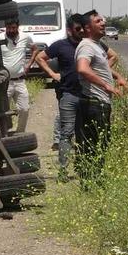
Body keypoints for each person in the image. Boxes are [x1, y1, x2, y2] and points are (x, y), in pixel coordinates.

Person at [74, 10, 128, 181]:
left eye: (102, 20)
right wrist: (106, 85)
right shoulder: (86, 46)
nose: (103, 23)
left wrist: (117, 77)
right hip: (93, 104)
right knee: (94, 146)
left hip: (99, 103)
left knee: (99, 145)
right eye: (98, 21)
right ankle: (92, 182)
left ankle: (93, 179)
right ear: (88, 28)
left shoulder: (96, 45)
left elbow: (100, 68)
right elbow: (83, 68)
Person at [35, 13, 85, 180]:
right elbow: (40, 58)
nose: (81, 31)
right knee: (67, 133)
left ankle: (82, 168)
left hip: (86, 96)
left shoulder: (88, 45)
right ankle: (63, 170)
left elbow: (110, 55)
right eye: (78, 28)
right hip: (68, 95)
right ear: (70, 30)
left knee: (83, 134)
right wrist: (53, 74)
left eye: (83, 28)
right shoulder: (60, 46)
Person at [1, 17, 37, 133]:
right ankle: (4, 132)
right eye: (9, 28)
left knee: (24, 109)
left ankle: (20, 133)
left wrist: (29, 65)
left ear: (18, 27)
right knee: (2, 110)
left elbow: (35, 49)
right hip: (5, 82)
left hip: (20, 81)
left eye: (14, 28)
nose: (11, 30)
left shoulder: (25, 37)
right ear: (5, 27)